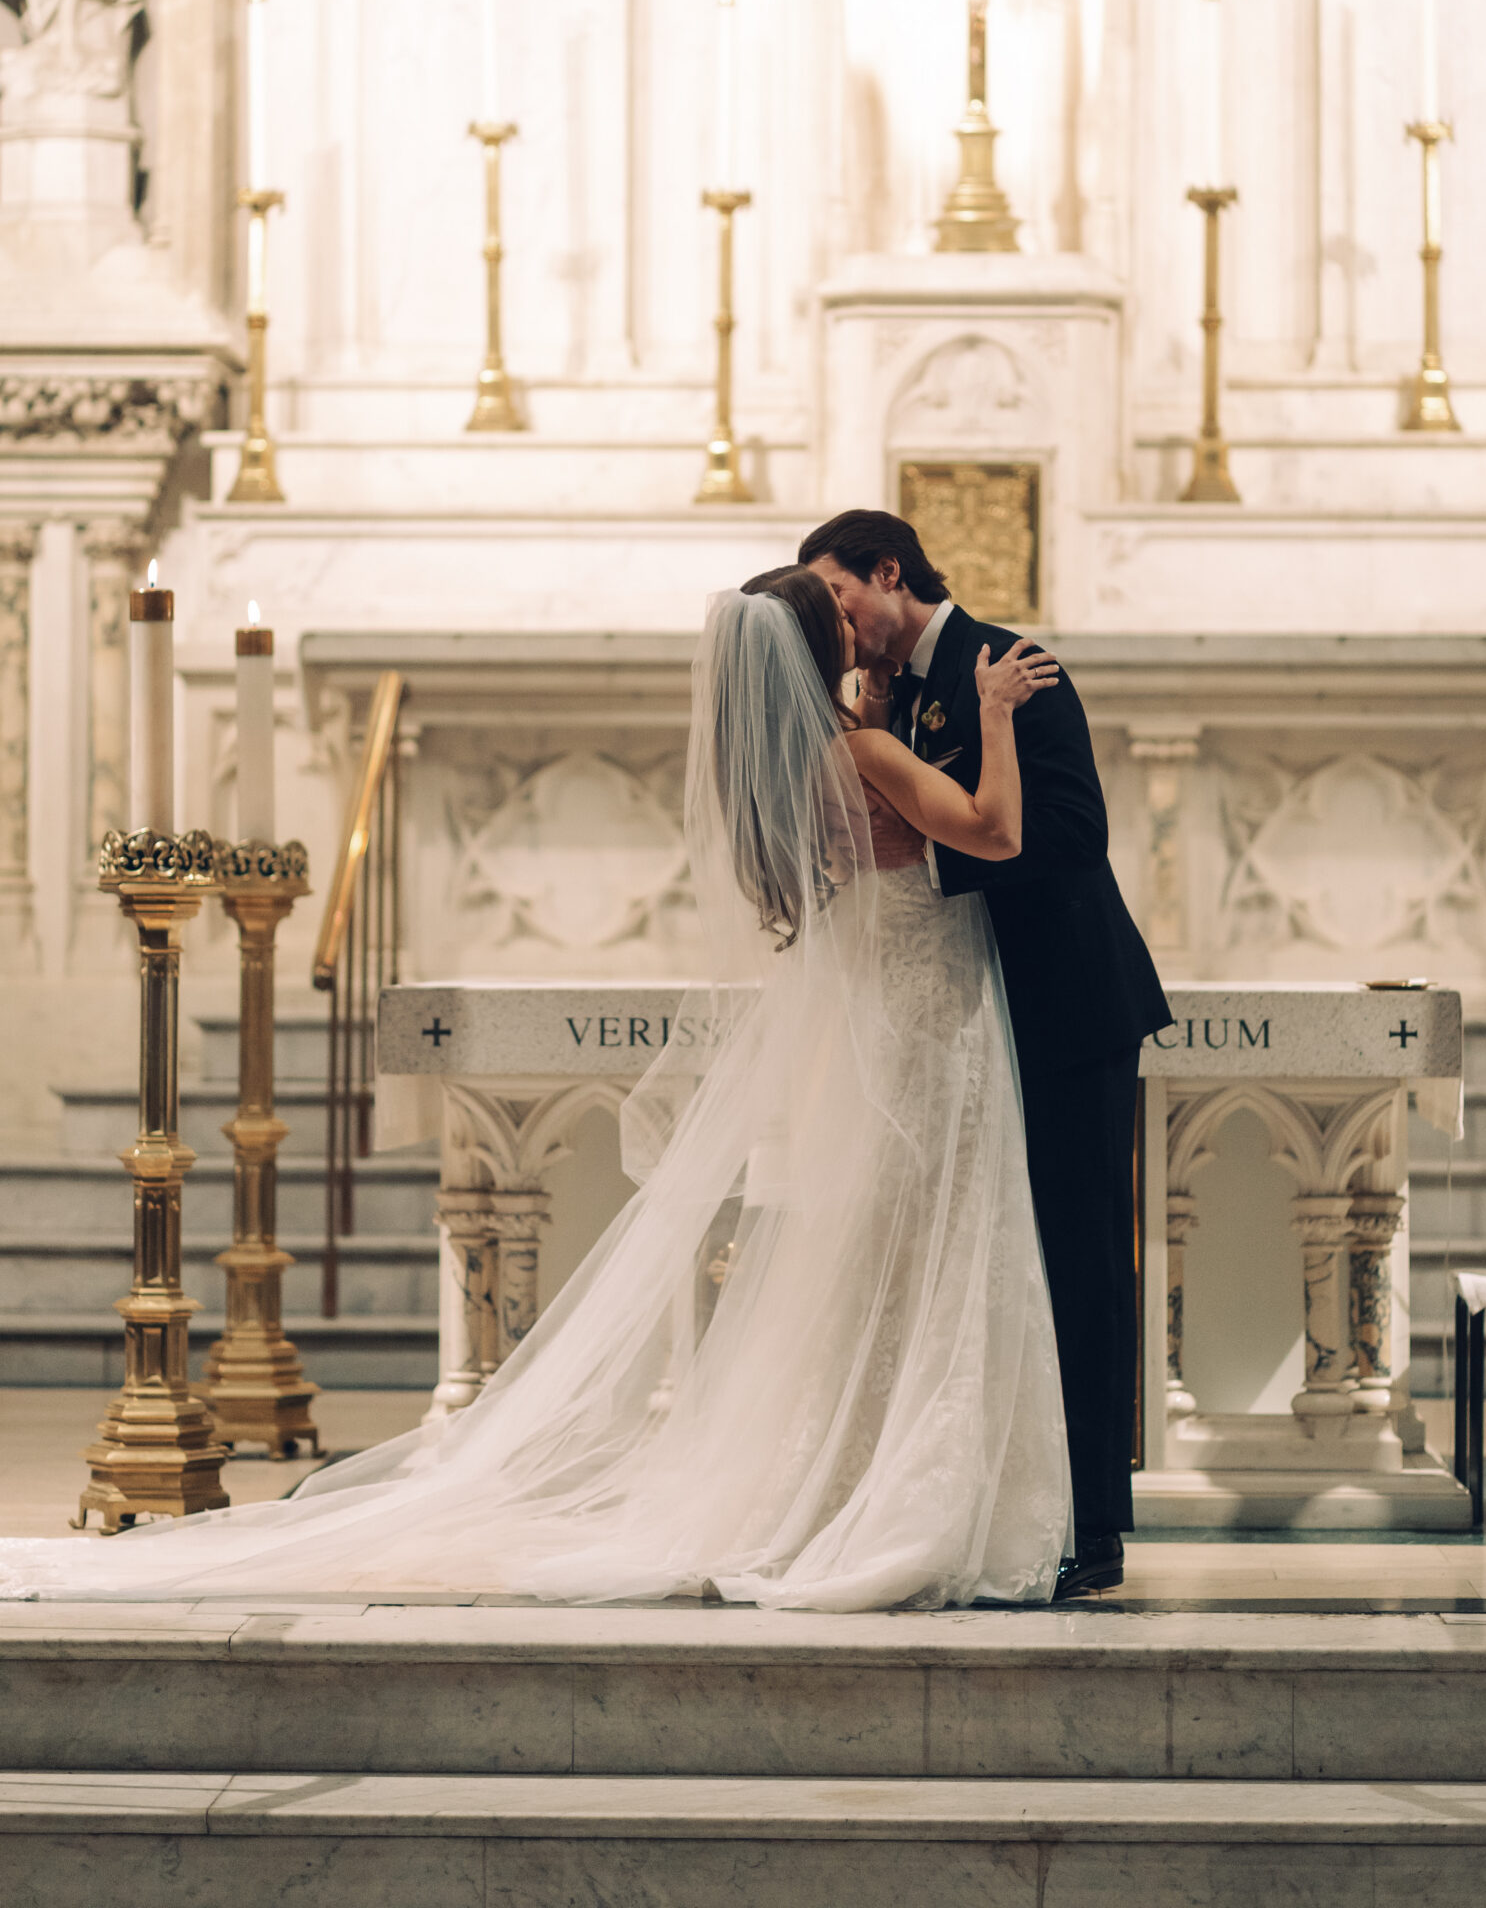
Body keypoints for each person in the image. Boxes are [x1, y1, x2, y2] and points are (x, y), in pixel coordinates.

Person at [1, 572, 1074, 1610]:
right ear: (816, 648)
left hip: (882, 1023)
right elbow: (994, 832)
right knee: (929, 1255)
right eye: (837, 611)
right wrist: (989, 713)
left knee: (882, 1264)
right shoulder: (870, 747)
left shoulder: (793, 768)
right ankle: (900, 1495)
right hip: (931, 1021)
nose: (855, 620)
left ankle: (848, 1482)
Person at [800, 509, 1172, 1599]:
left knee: (1078, 1266)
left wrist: (930, 848)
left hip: (1063, 1013)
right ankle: (1004, 1499)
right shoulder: (885, 695)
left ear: (887, 569)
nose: (840, 622)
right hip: (968, 1025)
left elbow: (1068, 832)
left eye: (842, 595)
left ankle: (1093, 1527)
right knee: (990, 1273)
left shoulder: (1010, 665)